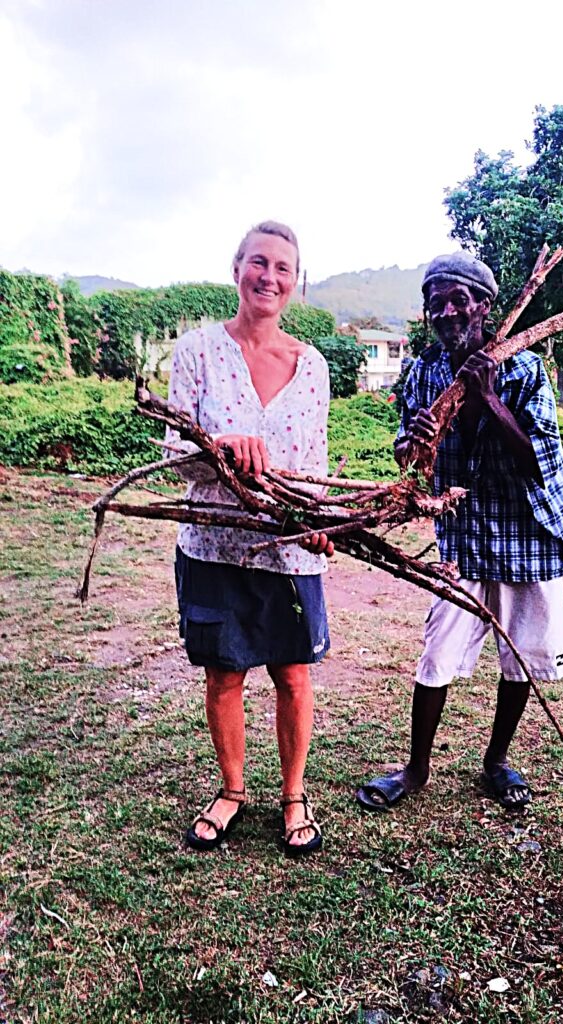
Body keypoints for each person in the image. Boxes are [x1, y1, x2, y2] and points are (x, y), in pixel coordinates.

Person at [356, 251, 563, 812]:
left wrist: (487, 399)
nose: (449, 312)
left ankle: (496, 761)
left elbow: (536, 463)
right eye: (437, 303)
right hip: (463, 534)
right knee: (439, 651)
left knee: (522, 651)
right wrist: (415, 443)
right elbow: (409, 459)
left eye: (460, 300)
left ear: (484, 306)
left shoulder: (523, 369)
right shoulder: (424, 371)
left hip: (527, 530)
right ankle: (415, 769)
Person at [166, 220, 334, 856]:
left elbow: (312, 462)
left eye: (283, 268)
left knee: (292, 675)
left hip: (286, 545)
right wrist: (220, 449)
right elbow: (175, 453)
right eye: (258, 262)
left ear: (296, 282)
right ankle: (232, 790)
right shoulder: (199, 351)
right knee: (224, 674)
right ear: (236, 268)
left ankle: (293, 794)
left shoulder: (311, 365)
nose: (269, 276)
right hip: (212, 543)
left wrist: (318, 523)